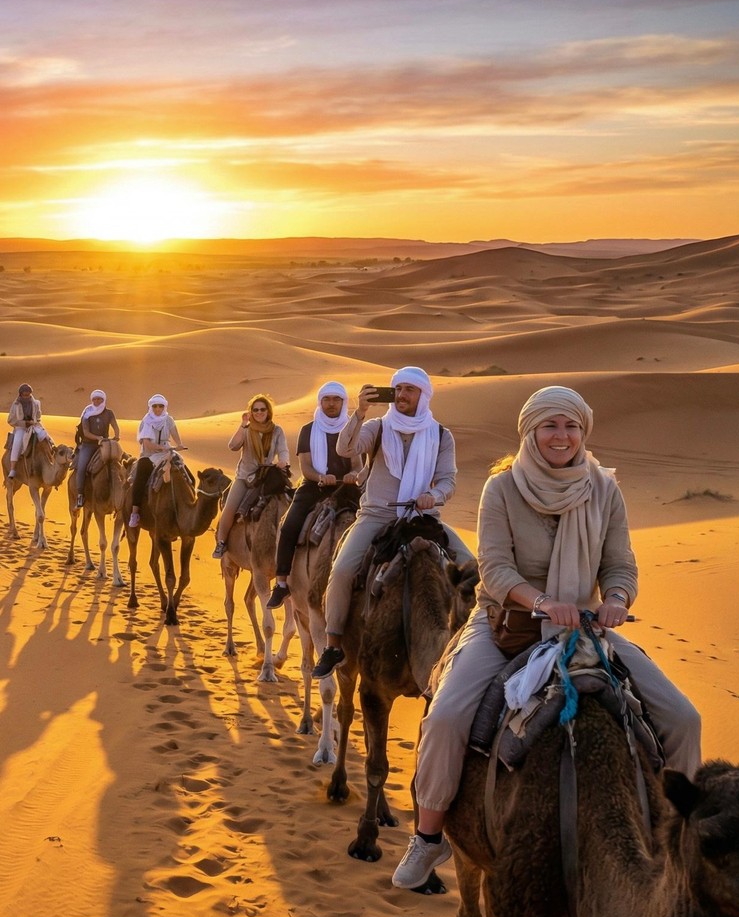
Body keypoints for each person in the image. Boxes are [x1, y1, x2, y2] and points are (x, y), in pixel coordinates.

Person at [390, 385, 702, 890]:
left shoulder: (604, 488)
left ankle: (674, 835)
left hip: (584, 627)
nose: (562, 436)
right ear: (530, 433)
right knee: (446, 716)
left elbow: (621, 564)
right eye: (550, 426)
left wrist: (618, 599)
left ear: (585, 431)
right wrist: (538, 601)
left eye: (571, 426)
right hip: (506, 625)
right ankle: (428, 836)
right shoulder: (503, 488)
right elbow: (493, 567)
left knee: (684, 718)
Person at [311, 367, 475, 678]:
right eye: (397, 389)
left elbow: (448, 480)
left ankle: (472, 641)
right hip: (378, 515)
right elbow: (346, 449)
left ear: (423, 395)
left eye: (409, 390)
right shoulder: (377, 427)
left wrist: (434, 494)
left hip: (424, 517)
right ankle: (333, 643)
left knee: (471, 568)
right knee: (343, 570)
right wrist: (359, 412)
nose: (401, 395)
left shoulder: (440, 435)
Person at [265, 382, 362, 608]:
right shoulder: (308, 430)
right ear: (320, 402)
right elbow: (305, 466)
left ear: (343, 402)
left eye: (336, 399)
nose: (331, 404)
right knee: (289, 526)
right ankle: (281, 583)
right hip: (314, 487)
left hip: (347, 488)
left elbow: (357, 464)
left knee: (376, 525)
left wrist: (353, 474)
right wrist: (320, 476)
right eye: (327, 399)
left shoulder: (352, 429)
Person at [213, 394, 290, 557]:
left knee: (288, 503)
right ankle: (221, 543)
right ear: (251, 412)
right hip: (244, 478)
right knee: (229, 508)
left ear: (268, 411)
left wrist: (283, 461)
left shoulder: (277, 431)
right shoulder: (247, 430)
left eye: (262, 409)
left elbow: (283, 451)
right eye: (255, 410)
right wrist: (243, 424)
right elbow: (233, 446)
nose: (259, 412)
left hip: (267, 476)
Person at [128, 394, 185, 528]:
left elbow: (174, 433)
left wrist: (180, 444)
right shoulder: (146, 421)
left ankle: (187, 505)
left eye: (161, 406)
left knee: (184, 471)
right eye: (155, 406)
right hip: (149, 455)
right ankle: (135, 512)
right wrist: (161, 447)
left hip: (167, 451)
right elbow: (147, 443)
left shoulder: (168, 419)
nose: (158, 409)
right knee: (141, 475)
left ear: (164, 407)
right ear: (150, 407)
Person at [74, 389, 120, 509]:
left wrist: (116, 435)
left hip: (105, 444)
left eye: (99, 399)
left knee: (121, 462)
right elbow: (86, 432)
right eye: (94, 399)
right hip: (89, 444)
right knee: (82, 467)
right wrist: (98, 438)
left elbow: (115, 425)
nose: (97, 401)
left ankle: (121, 494)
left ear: (104, 400)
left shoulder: (109, 413)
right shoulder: (87, 413)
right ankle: (80, 494)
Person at [7, 383, 53, 479]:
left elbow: (39, 416)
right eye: (25, 394)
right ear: (20, 394)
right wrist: (24, 423)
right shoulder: (16, 405)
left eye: (28, 394)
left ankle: (52, 459)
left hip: (34, 425)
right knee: (17, 442)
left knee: (46, 437)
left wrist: (33, 421)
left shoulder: (36, 403)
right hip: (21, 428)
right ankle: (12, 469)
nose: (27, 396)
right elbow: (10, 420)